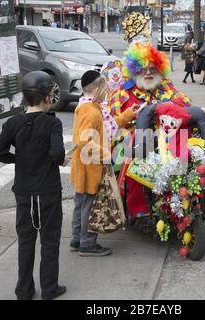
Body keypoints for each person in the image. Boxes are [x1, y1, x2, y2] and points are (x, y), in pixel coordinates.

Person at [109, 42, 205, 222]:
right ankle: (139, 212)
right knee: (134, 161)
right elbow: (114, 119)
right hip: (139, 138)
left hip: (169, 134)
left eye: (153, 68)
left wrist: (190, 110)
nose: (149, 73)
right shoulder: (124, 91)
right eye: (143, 69)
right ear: (135, 71)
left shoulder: (165, 86)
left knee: (197, 153)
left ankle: (197, 197)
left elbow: (183, 102)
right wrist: (131, 116)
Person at [0, 71, 66, 300]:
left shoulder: (13, 123)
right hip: (48, 192)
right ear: (46, 96)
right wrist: (60, 159)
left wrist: (19, 158)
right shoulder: (52, 123)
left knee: (25, 241)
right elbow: (57, 154)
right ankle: (49, 289)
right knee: (50, 241)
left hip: (24, 193)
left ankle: (23, 290)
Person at [70, 70, 145, 256]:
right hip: (91, 166)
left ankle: (77, 238)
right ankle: (87, 244)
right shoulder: (92, 112)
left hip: (85, 165)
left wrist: (128, 114)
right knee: (89, 205)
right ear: (97, 88)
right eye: (105, 88)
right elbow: (85, 141)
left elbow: (107, 126)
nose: (108, 92)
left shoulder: (89, 107)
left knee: (81, 203)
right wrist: (106, 155)